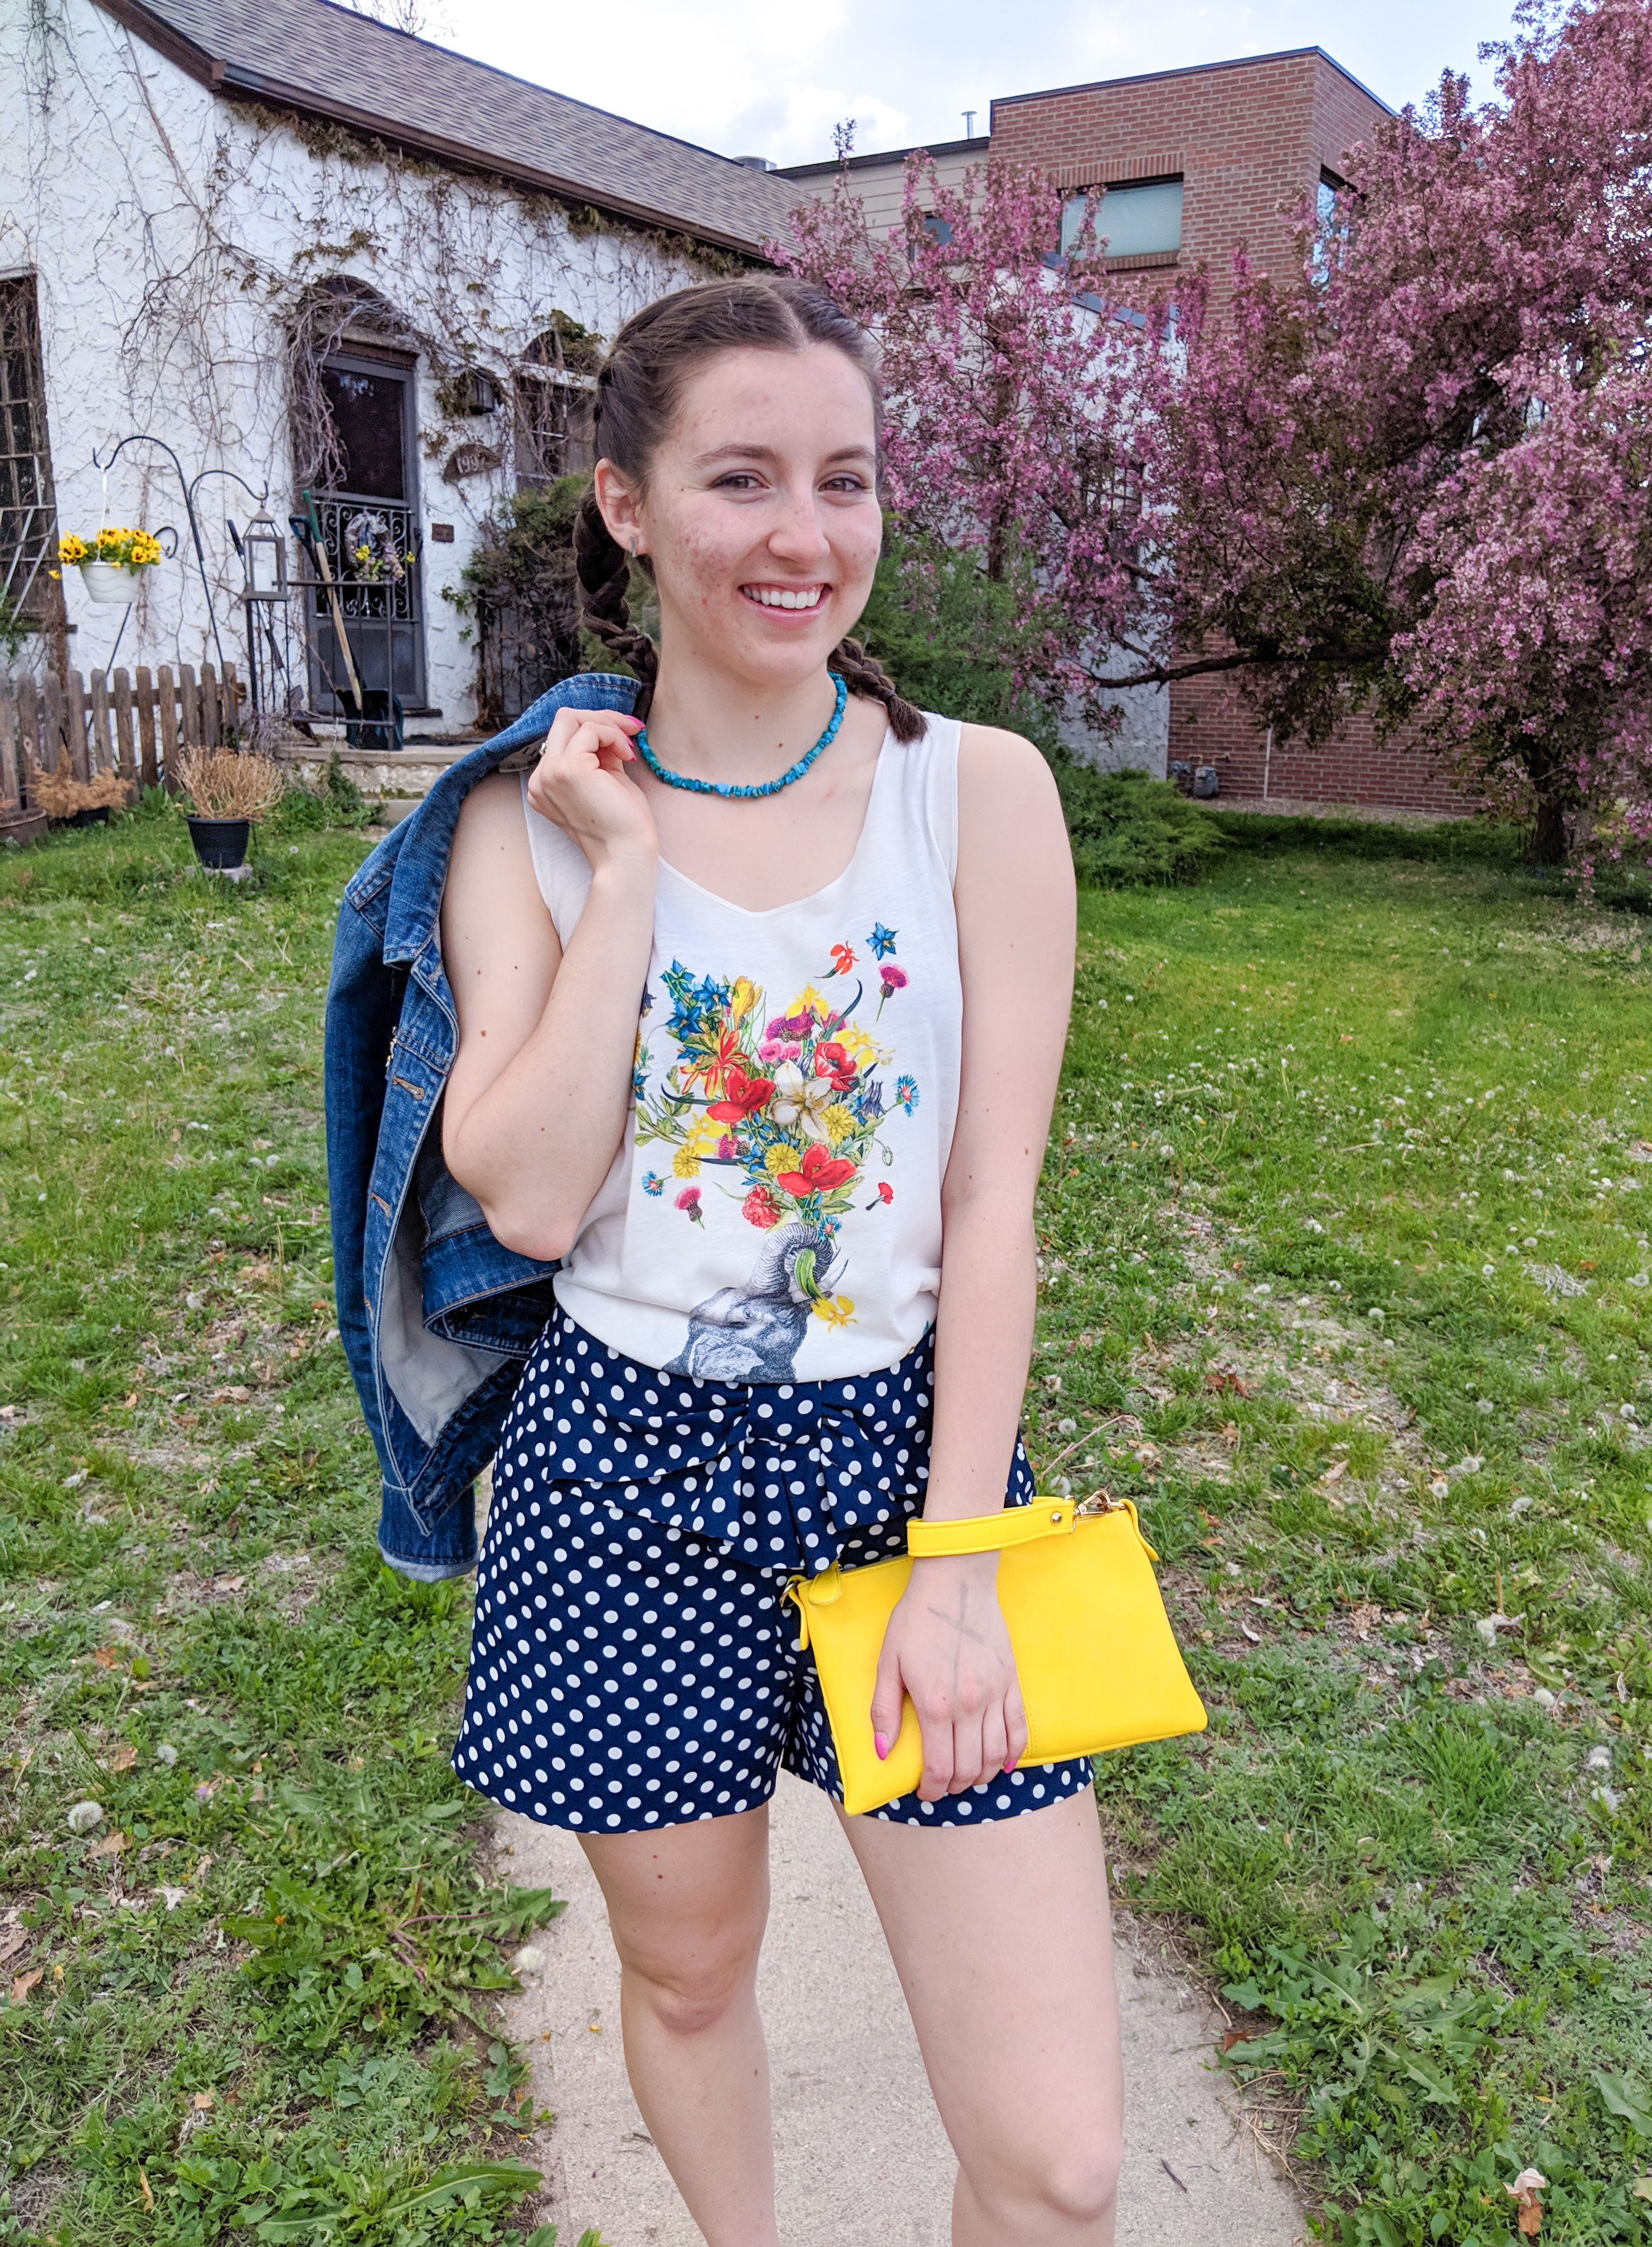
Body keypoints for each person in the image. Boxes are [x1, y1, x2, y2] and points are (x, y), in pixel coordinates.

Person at [438, 275, 1123, 2245]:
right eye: (741, 479)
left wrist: (962, 1559)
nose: (805, 536)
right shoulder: (527, 827)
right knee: (689, 1973)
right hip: (618, 1476)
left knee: (1059, 2160)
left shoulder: (975, 792)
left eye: (847, 479)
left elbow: (994, 1201)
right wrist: (631, 866)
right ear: (630, 507)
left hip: (903, 1461)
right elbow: (537, 1198)